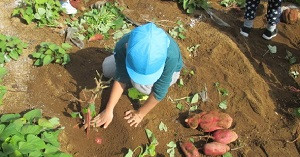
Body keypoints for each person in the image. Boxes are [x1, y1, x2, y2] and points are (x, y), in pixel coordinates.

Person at [91, 23, 183, 128]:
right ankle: (133, 77)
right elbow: (121, 74)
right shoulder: (123, 45)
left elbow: (160, 90)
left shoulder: (172, 56)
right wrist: (109, 109)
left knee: (143, 87)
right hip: (132, 59)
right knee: (107, 68)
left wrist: (140, 113)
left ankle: (138, 82)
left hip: (171, 72)